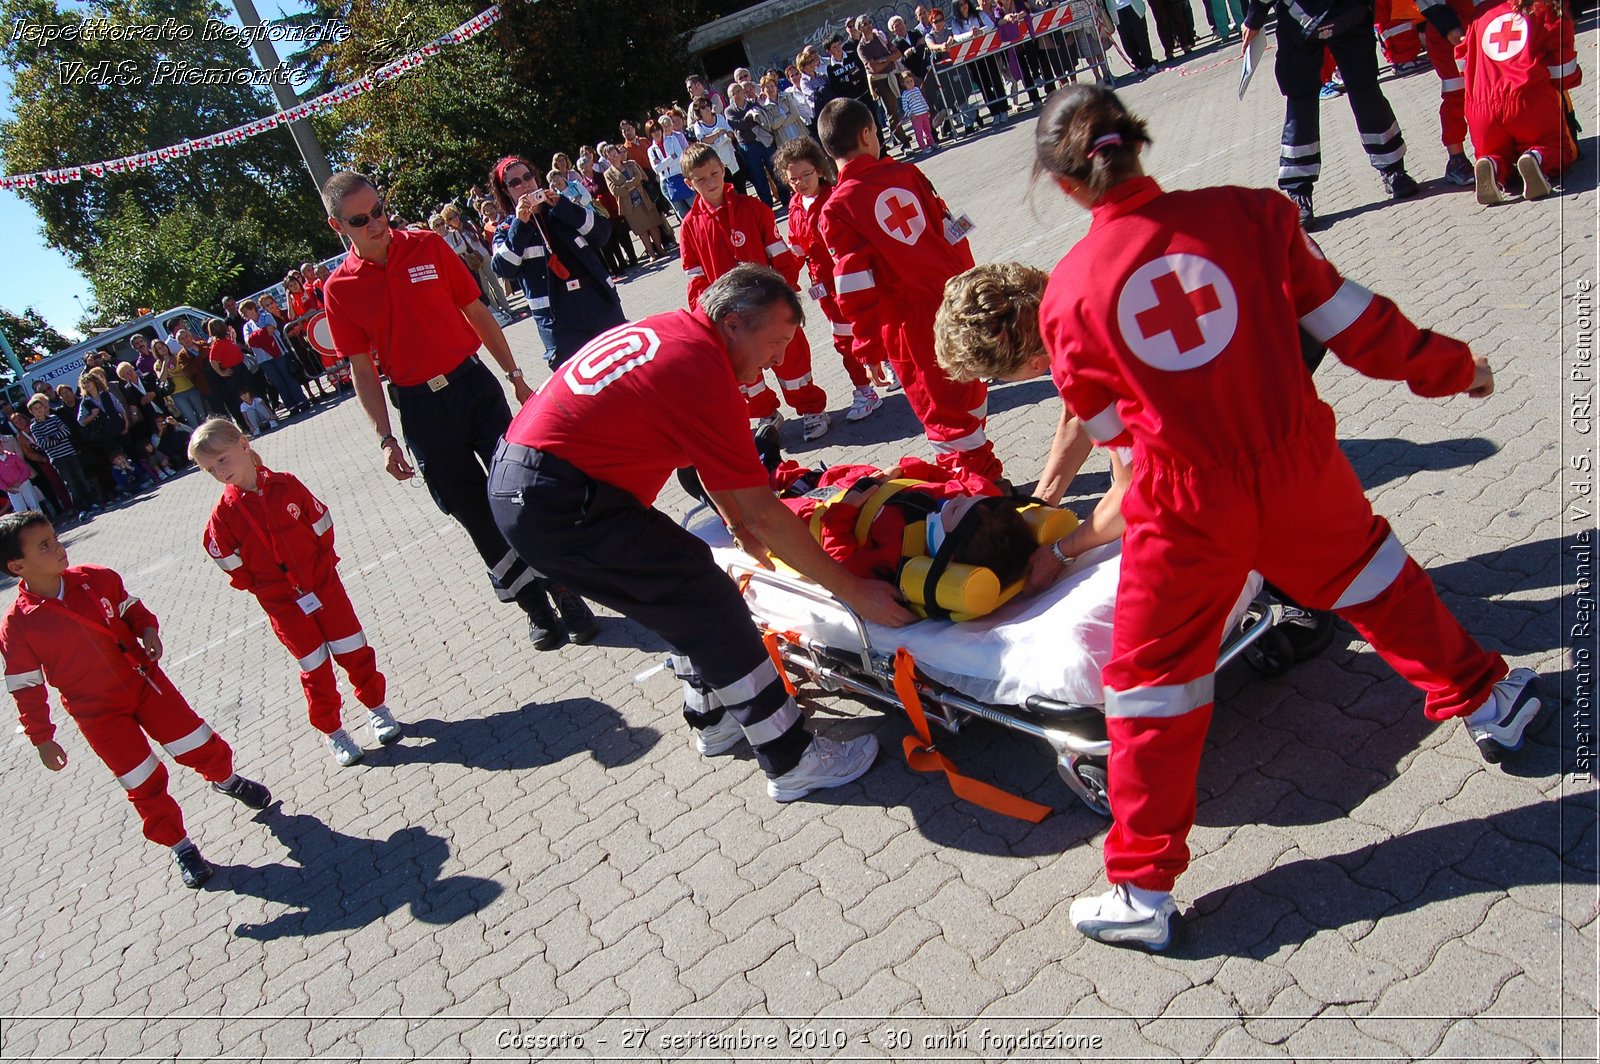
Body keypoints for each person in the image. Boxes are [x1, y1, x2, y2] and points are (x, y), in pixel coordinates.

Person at [997, 84, 1543, 950]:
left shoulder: (1065, 297)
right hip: (1300, 469)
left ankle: (1142, 892)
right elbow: (1358, 325)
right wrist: (1456, 369)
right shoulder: (1255, 215)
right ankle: (1493, 700)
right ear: (1139, 145)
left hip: (1185, 508)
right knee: (1379, 583)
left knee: (1149, 687)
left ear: (1065, 185)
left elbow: (1117, 440)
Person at [488, 265, 915, 803]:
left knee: (681, 587)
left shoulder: (679, 334)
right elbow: (764, 508)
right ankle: (792, 757)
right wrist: (854, 593)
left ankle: (712, 717)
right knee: (707, 601)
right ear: (734, 323)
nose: (779, 359)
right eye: (776, 342)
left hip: (535, 487)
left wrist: (735, 524)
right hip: (557, 501)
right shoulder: (700, 368)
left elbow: (712, 465)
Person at [320, 172, 599, 650]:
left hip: (473, 386)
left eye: (380, 210)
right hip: (421, 409)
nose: (377, 224)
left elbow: (477, 311)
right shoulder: (339, 289)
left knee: (520, 491)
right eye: (361, 219)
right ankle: (535, 608)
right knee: (473, 510)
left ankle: (567, 592)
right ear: (337, 226)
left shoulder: (427, 245)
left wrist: (515, 376)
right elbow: (364, 371)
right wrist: (385, 438)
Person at [0, 510, 272, 888]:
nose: (59, 547)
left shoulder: (95, 578)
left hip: (147, 685)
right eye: (44, 546)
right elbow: (26, 687)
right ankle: (181, 846)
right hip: (98, 716)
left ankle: (226, 780)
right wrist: (42, 738)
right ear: (17, 566)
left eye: (55, 537)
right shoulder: (18, 624)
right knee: (141, 780)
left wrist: (148, 630)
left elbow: (132, 610)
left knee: (198, 743)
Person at [192, 418, 404, 767]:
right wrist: (265, 588)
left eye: (222, 460)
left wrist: (322, 566)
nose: (218, 471)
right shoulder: (223, 516)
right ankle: (334, 731)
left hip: (324, 586)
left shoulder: (286, 485)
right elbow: (227, 560)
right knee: (314, 667)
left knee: (353, 649)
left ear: (244, 445)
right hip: (283, 605)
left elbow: (320, 522)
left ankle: (377, 708)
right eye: (209, 469)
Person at [816, 98, 1003, 482]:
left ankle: (981, 489)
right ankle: (984, 476)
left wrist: (867, 349)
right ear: (867, 134)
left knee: (940, 412)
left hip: (909, 325)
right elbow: (949, 229)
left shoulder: (837, 209)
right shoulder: (907, 173)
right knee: (968, 394)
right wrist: (972, 285)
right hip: (952, 299)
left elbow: (853, 286)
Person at [679, 143, 832, 441]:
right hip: (732, 319)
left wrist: (782, 296)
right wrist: (707, 316)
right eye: (701, 179)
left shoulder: (753, 209)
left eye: (714, 173)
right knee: (746, 374)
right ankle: (766, 413)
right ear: (689, 183)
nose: (710, 182)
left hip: (769, 308)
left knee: (791, 361)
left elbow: (782, 258)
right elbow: (695, 279)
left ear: (724, 169)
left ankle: (812, 409)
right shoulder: (689, 228)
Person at [1243, 0, 1422, 228]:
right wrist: (1254, 17)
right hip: (1307, 19)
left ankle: (1393, 170)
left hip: (1342, 14)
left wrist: (1254, 18)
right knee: (1303, 102)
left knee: (1363, 91)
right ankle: (1300, 192)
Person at [773, 137, 886, 424]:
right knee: (844, 341)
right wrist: (783, 282)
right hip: (825, 289)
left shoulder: (835, 198)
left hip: (853, 281)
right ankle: (866, 390)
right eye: (793, 179)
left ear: (820, 169)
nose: (800, 183)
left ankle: (880, 374)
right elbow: (796, 250)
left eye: (806, 175)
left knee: (874, 327)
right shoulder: (795, 207)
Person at [488, 155, 628, 373]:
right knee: (580, 385)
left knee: (626, 364)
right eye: (515, 182)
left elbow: (602, 234)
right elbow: (504, 269)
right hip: (557, 318)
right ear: (506, 191)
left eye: (528, 177)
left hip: (597, 300)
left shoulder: (561, 205)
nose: (524, 184)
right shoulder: (506, 229)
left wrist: (565, 208)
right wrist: (520, 225)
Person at [1461, 0, 1582, 204]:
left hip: (1482, 110)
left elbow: (1462, 62)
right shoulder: (1547, 8)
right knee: (1557, 149)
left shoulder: (1481, 12)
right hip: (1529, 101)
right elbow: (1564, 71)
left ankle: (1492, 164)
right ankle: (1537, 158)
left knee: (1495, 150)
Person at [25, 395, 98, 518]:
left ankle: (92, 503)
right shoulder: (34, 427)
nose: (39, 410)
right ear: (31, 412)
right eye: (35, 409)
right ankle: (81, 508)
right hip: (57, 458)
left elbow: (66, 431)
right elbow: (43, 444)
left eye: (40, 407)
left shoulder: (54, 418)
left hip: (69, 453)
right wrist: (58, 436)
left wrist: (52, 437)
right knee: (70, 483)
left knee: (81, 479)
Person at [442, 204, 516, 320]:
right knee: (485, 289)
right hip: (473, 262)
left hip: (483, 255)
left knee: (494, 282)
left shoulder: (467, 225)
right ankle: (497, 311)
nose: (455, 219)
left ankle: (506, 307)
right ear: (448, 221)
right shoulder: (452, 234)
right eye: (451, 218)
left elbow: (478, 237)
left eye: (455, 215)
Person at [602, 143, 673, 259]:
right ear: (607, 159)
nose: (614, 157)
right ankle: (651, 253)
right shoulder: (608, 174)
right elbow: (614, 190)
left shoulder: (631, 164)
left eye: (615, 154)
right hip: (630, 206)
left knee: (653, 225)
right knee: (642, 231)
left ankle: (660, 249)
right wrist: (631, 186)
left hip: (644, 199)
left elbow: (639, 177)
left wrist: (625, 185)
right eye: (611, 156)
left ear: (619, 154)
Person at [240, 300, 310, 417]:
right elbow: (248, 341)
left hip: (278, 353)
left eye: (245, 312)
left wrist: (257, 337)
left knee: (288, 378)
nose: (244, 316)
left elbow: (271, 329)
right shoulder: (247, 326)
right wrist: (261, 335)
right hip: (263, 359)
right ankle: (291, 407)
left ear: (252, 309)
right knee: (278, 383)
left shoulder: (266, 316)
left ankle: (303, 402)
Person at [857, 15, 912, 150]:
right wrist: (888, 60)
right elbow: (874, 68)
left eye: (870, 22)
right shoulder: (862, 48)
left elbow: (897, 54)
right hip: (881, 81)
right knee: (892, 112)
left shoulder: (880, 38)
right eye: (865, 24)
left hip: (894, 74)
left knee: (914, 94)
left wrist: (882, 60)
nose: (869, 25)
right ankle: (904, 142)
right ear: (860, 28)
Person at [648, 120, 696, 221]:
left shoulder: (672, 139)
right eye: (653, 131)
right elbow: (657, 169)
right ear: (649, 134)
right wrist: (670, 158)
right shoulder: (651, 150)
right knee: (683, 215)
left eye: (658, 129)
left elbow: (680, 158)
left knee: (696, 206)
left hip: (680, 176)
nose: (656, 132)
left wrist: (662, 163)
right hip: (667, 182)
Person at [900, 71, 937, 150]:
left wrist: (927, 109)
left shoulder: (917, 89)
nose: (910, 83)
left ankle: (931, 142)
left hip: (923, 113)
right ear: (903, 84)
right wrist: (910, 114)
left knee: (928, 129)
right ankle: (923, 147)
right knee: (918, 132)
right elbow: (905, 107)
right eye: (907, 82)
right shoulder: (905, 94)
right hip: (916, 116)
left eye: (911, 80)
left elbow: (922, 99)